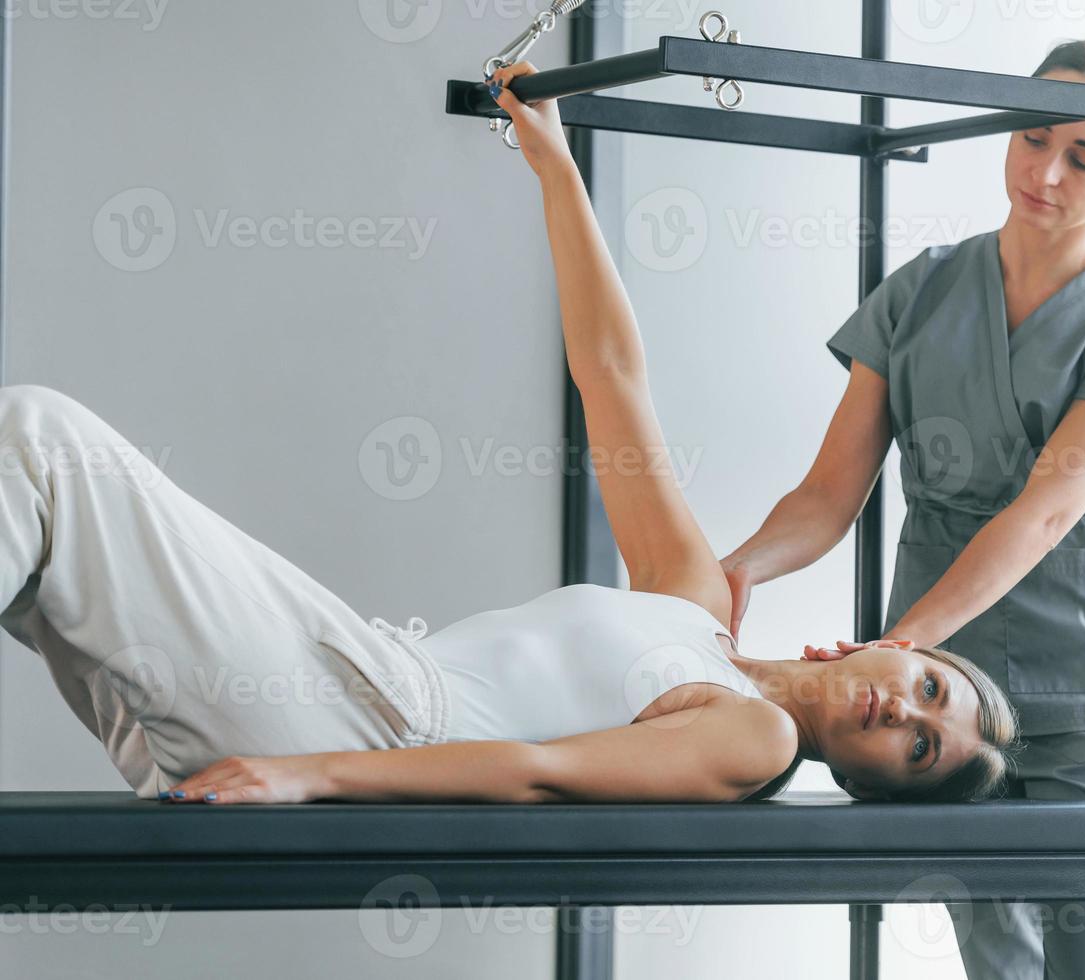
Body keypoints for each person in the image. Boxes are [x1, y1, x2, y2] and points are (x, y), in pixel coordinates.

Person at [0, 60, 1019, 809]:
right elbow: (613, 377)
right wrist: (555, 165)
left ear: (872, 778)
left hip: (365, 722)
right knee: (36, 500)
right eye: (930, 687)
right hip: (347, 683)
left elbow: (537, 770)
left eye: (921, 749)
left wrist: (308, 772)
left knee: (41, 443)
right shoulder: (694, 603)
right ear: (889, 648)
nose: (908, 714)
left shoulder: (752, 738)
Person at [720, 38, 1085, 980]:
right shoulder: (919, 292)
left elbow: (1044, 513)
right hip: (936, 715)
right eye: (1033, 137)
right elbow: (828, 493)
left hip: (1081, 683)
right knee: (995, 963)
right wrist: (738, 571)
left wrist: (902, 647)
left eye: (1084, 157)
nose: (1044, 173)